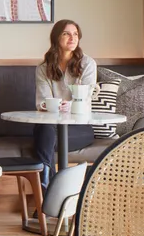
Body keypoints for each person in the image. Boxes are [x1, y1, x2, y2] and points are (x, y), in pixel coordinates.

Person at [33, 18, 96, 187]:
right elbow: (42, 101)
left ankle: (47, 190)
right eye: (66, 34)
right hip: (51, 125)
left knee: (44, 138)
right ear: (56, 38)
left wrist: (72, 106)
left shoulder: (87, 64)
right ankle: (52, 193)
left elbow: (85, 98)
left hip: (80, 128)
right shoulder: (43, 68)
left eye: (75, 34)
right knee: (45, 130)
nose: (72, 38)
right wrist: (49, 105)